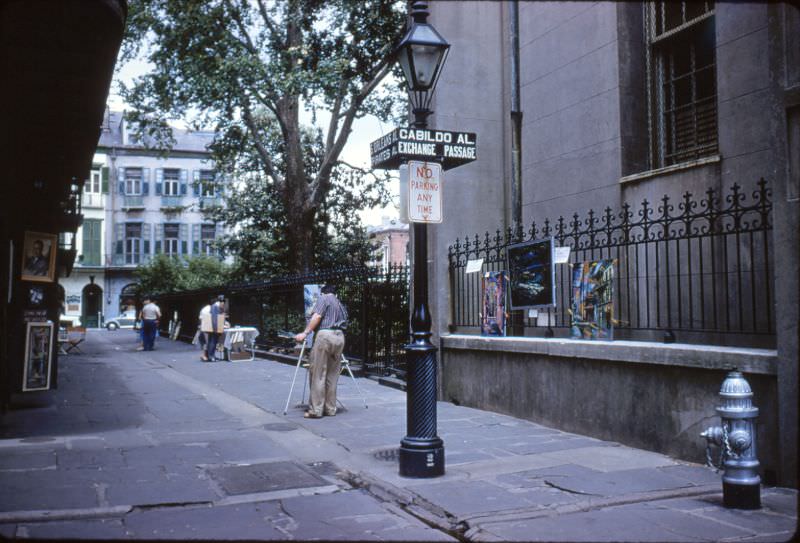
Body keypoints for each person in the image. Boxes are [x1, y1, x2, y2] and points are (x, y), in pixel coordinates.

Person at [295, 284, 348, 418]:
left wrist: (305, 333)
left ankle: (316, 410)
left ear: (323, 293)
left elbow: (317, 316)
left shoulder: (324, 299)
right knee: (332, 375)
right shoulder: (340, 304)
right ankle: (330, 409)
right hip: (339, 337)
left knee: (318, 373)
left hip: (325, 336)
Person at [203, 295, 225, 362]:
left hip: (213, 327)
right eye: (223, 302)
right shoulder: (215, 307)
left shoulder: (215, 306)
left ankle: (212, 356)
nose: (223, 304)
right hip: (214, 328)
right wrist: (216, 329)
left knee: (212, 342)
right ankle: (211, 356)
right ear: (221, 302)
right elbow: (214, 319)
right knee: (213, 342)